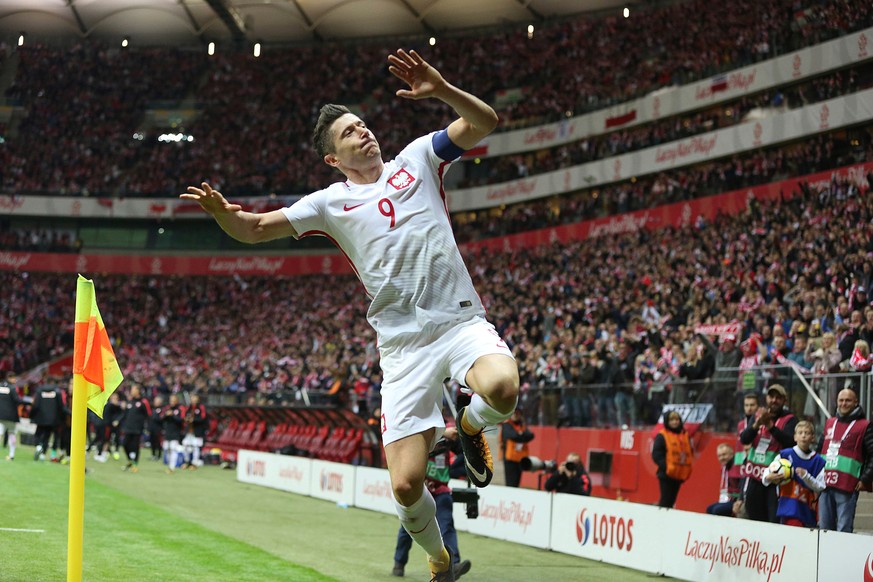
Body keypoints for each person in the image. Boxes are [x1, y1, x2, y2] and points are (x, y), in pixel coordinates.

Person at [181, 48, 519, 582]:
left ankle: (470, 425)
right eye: (349, 134)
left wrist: (443, 89)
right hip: (403, 350)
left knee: (502, 387)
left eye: (363, 125)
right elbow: (253, 229)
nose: (363, 133)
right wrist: (225, 216)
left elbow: (485, 121)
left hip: (457, 323)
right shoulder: (327, 203)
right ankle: (439, 561)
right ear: (334, 159)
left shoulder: (418, 158)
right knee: (406, 486)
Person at [392, 426, 471, 580]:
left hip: (441, 490)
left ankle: (453, 564)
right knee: (408, 530)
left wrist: (464, 435)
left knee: (446, 525)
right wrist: (442, 434)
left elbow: (463, 451)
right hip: (419, 491)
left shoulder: (447, 431)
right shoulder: (418, 428)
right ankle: (399, 562)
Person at [817, 388, 873, 532]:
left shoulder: (865, 425)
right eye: (841, 400)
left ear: (856, 402)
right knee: (824, 528)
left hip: (848, 485)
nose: (844, 403)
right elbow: (819, 450)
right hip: (825, 483)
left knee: (844, 529)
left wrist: (865, 479)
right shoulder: (830, 422)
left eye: (848, 400)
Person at [739, 384, 798, 522]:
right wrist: (756, 425)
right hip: (754, 476)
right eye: (771, 397)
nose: (774, 400)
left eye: (778, 398)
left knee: (773, 520)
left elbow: (790, 442)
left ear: (784, 400)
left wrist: (771, 427)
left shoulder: (790, 419)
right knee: (754, 517)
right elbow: (744, 439)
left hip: (775, 480)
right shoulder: (758, 415)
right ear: (766, 398)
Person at [762, 420, 826, 527]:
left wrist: (806, 476)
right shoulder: (784, 455)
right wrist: (768, 477)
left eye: (807, 433)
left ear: (813, 438)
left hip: (808, 509)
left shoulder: (818, 461)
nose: (803, 436)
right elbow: (767, 473)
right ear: (795, 437)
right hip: (788, 507)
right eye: (800, 433)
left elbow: (821, 486)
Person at [652, 410, 693, 508]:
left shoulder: (684, 435)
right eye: (672, 420)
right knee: (665, 501)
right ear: (667, 422)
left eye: (677, 419)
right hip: (666, 474)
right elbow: (656, 455)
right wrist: (667, 466)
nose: (675, 422)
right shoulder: (662, 436)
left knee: (672, 501)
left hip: (679, 474)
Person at [29, 382, 66, 462]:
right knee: (47, 437)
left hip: (41, 419)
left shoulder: (40, 391)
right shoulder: (57, 392)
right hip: (53, 420)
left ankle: (38, 447)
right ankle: (43, 455)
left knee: (38, 435)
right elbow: (61, 407)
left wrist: (31, 415)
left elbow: (36, 405)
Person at [120, 384, 152, 473]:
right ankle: (130, 460)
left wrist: (147, 426)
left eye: (133, 389)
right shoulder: (130, 401)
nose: (131, 391)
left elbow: (149, 414)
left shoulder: (143, 402)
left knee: (135, 446)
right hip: (128, 427)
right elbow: (125, 414)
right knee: (125, 444)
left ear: (138, 391)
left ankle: (135, 464)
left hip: (137, 429)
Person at [500, 408, 534, 487]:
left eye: (517, 414)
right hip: (509, 459)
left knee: (517, 482)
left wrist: (519, 434)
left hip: (520, 458)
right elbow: (512, 435)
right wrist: (522, 435)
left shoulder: (522, 425)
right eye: (514, 413)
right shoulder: (506, 424)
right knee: (510, 483)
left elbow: (531, 435)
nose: (515, 415)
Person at [706, 443, 741, 516]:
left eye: (724, 454)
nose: (722, 458)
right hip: (726, 499)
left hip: (736, 500)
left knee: (717, 510)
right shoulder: (724, 468)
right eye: (719, 456)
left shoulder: (737, 467)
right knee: (709, 509)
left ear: (731, 454)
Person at [181, 393, 208, 469]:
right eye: (192, 398)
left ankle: (194, 463)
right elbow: (183, 416)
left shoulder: (201, 407)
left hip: (197, 431)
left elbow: (203, 418)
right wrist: (186, 419)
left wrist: (194, 420)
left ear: (198, 399)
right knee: (185, 445)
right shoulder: (188, 408)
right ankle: (187, 462)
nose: (193, 400)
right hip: (188, 431)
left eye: (194, 398)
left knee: (196, 446)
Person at [162, 394, 185, 474]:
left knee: (173, 449)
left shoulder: (180, 408)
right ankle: (169, 465)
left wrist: (173, 415)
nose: (171, 402)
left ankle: (171, 467)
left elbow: (181, 420)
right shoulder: (167, 408)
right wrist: (166, 415)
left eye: (173, 400)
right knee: (167, 449)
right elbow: (162, 418)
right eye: (170, 400)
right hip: (167, 431)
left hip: (176, 432)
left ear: (177, 400)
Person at [0, 374, 21, 461]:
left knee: (0, 433)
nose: (15, 380)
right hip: (10, 416)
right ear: (10, 378)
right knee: (11, 434)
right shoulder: (12, 388)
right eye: (14, 378)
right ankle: (11, 455)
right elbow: (17, 400)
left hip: (0, 414)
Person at [148, 395, 165, 461]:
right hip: (151, 428)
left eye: (157, 401)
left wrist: (156, 418)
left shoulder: (162, 409)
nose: (156, 402)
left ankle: (159, 455)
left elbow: (161, 419)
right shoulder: (152, 409)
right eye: (155, 401)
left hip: (158, 429)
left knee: (158, 442)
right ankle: (153, 454)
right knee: (152, 442)